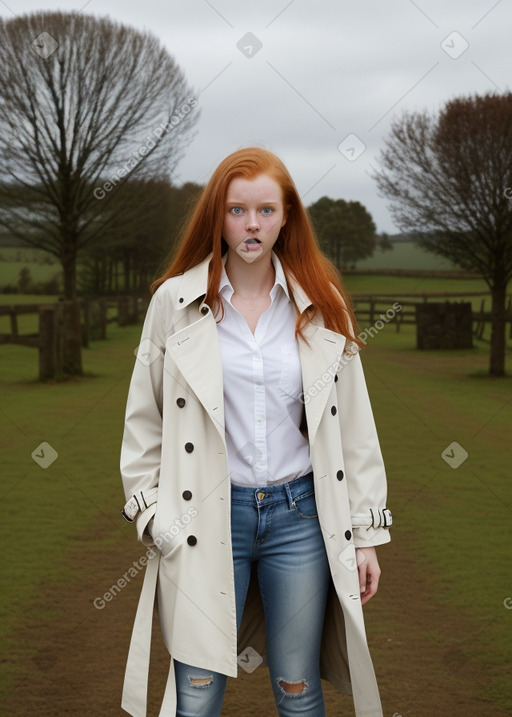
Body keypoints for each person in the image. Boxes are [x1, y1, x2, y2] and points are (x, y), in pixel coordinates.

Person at [120, 147, 392, 717]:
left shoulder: (322, 304)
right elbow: (143, 418)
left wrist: (365, 535)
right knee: (196, 693)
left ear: (286, 216)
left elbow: (356, 429)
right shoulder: (173, 302)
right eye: (237, 209)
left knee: (298, 689)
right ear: (217, 216)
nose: (251, 224)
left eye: (266, 210)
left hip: (300, 519)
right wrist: (150, 513)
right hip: (204, 515)